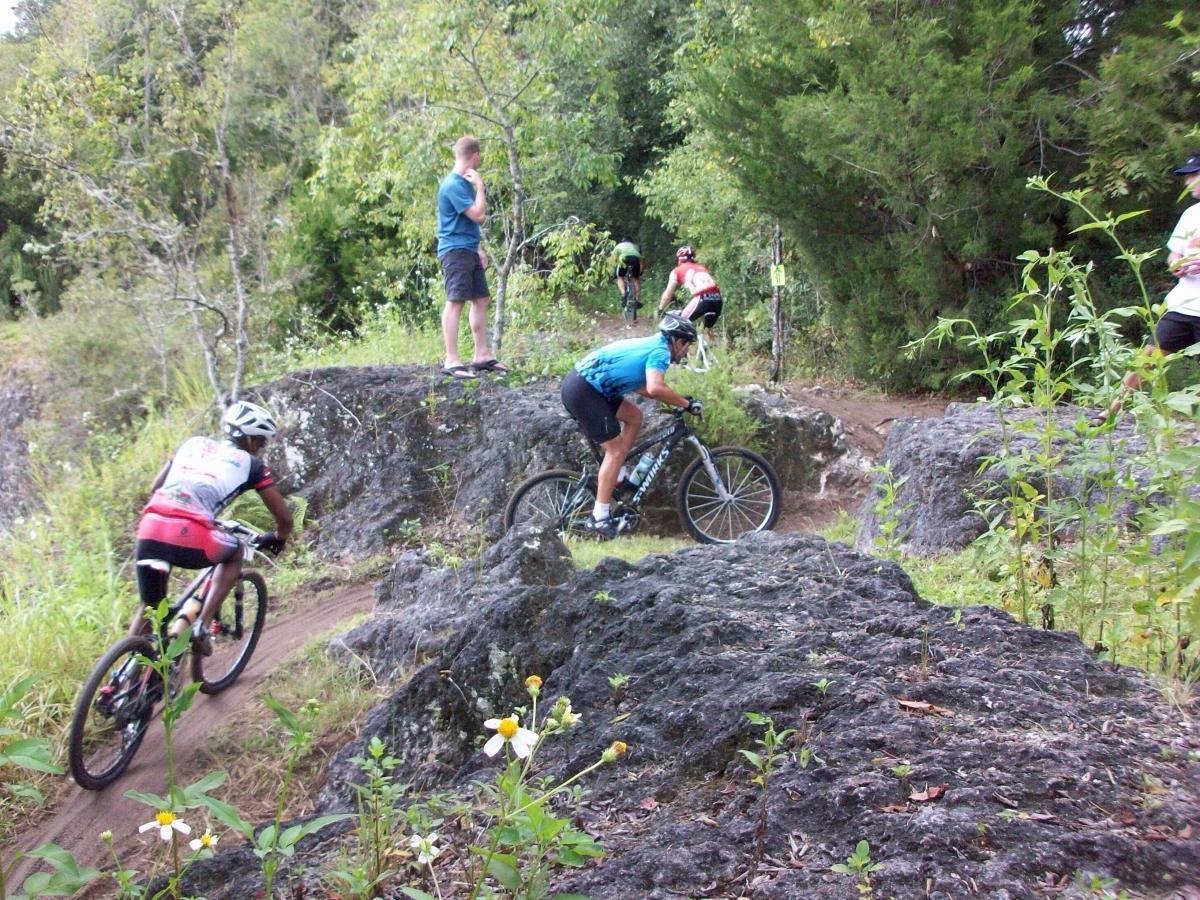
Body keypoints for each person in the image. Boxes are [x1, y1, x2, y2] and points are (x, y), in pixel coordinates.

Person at [130, 400, 293, 655]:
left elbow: (156, 486)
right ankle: (202, 627)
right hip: (190, 533)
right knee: (235, 550)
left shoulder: (192, 444)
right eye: (261, 442)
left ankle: (123, 682)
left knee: (150, 607)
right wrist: (278, 537)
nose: (260, 449)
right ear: (250, 440)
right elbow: (284, 518)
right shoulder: (252, 464)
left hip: (151, 526)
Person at [561, 314, 703, 539]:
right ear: (678, 342)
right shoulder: (660, 353)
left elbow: (642, 386)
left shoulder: (653, 345)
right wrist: (686, 404)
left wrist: (678, 400)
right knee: (615, 450)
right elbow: (655, 387)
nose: (687, 352)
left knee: (635, 416)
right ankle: (599, 517)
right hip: (585, 390)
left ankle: (618, 476)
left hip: (588, 386)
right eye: (688, 346)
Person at [1094, 152, 1200, 426]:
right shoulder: (1191, 215)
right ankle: (1114, 410)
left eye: (1194, 175)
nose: (1190, 182)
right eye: (1188, 177)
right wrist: (1177, 265)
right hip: (1183, 303)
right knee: (1149, 357)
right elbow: (1173, 254)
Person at [436, 135, 508, 379]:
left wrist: (478, 249)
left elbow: (466, 221)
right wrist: (480, 187)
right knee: (456, 300)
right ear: (474, 155)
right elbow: (478, 214)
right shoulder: (454, 184)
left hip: (468, 248)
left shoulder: (462, 184)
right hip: (454, 250)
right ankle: (452, 359)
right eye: (480, 156)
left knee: (482, 298)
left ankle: (481, 355)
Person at [658, 245, 723, 335]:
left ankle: (680, 348)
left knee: (680, 324)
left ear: (680, 259)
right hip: (717, 298)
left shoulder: (677, 271)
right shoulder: (701, 268)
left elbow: (667, 296)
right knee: (707, 331)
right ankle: (708, 346)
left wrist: (660, 310)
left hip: (703, 298)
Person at [614, 239, 642, 310]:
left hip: (623, 258)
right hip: (635, 259)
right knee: (636, 279)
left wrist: (614, 271)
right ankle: (637, 299)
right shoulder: (635, 246)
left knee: (620, 277)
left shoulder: (618, 246)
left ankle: (624, 294)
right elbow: (641, 260)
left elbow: (613, 259)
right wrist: (640, 271)